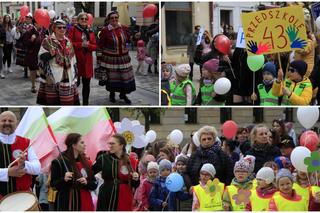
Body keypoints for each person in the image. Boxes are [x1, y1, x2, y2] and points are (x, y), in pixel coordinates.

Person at [37, 19, 80, 105]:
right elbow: (41, 57)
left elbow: (73, 59)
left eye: (64, 27)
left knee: (67, 104)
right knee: (53, 102)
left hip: (68, 76)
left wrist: (75, 74)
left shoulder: (68, 41)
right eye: (59, 27)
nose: (62, 29)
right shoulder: (47, 41)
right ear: (54, 29)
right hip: (53, 76)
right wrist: (50, 54)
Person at [92, 134, 140, 210]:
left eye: (113, 143)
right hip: (107, 195)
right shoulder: (103, 158)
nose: (110, 146)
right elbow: (90, 173)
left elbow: (136, 184)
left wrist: (136, 178)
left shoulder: (131, 161)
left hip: (124, 196)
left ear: (121, 145)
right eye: (109, 143)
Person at [50, 133, 97, 211]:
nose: (85, 145)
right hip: (67, 203)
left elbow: (94, 184)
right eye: (82, 143)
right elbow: (53, 185)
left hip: (85, 201)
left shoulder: (87, 162)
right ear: (74, 145)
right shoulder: (59, 162)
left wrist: (87, 182)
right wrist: (63, 179)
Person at [98, 11, 136, 104]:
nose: (114, 19)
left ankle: (123, 95)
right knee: (112, 78)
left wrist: (126, 51)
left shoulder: (124, 28)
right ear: (109, 20)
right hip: (110, 59)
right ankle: (112, 95)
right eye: (112, 18)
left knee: (124, 77)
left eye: (116, 17)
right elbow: (100, 45)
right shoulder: (105, 30)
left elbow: (127, 42)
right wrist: (99, 59)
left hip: (123, 58)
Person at [0, 111, 41, 197]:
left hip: (23, 198)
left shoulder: (26, 142)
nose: (7, 123)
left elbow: (37, 168)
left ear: (16, 124)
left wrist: (24, 164)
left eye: (10, 121)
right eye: (4, 120)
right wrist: (7, 172)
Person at [68, 12, 97, 105]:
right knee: (75, 83)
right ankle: (74, 102)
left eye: (86, 19)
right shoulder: (73, 29)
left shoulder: (91, 31)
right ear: (78, 20)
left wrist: (88, 46)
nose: (84, 20)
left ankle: (85, 103)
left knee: (86, 84)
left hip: (87, 61)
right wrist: (81, 44)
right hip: (76, 60)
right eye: (82, 19)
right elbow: (69, 43)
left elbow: (95, 46)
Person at [23, 18, 46, 93]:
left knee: (42, 70)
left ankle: (43, 86)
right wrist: (31, 40)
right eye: (40, 22)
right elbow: (25, 43)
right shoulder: (29, 31)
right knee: (32, 70)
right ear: (35, 24)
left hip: (41, 54)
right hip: (32, 54)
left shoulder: (43, 31)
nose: (41, 24)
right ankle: (33, 86)